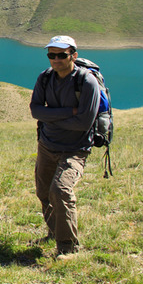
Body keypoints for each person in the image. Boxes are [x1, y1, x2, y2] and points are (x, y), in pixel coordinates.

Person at [30, 35, 100, 258]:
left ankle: (68, 247)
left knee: (60, 190)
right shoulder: (45, 78)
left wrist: (51, 117)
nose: (56, 59)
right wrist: (68, 112)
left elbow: (84, 123)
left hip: (75, 149)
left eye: (62, 55)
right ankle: (54, 232)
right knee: (43, 192)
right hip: (47, 145)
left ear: (74, 56)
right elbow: (35, 111)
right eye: (52, 55)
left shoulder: (86, 82)